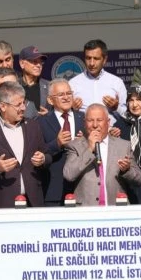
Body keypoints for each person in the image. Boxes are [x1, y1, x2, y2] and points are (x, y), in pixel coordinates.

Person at [0, 81, 51, 208]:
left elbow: (47, 155)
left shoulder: (33, 126)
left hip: (32, 202)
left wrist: (43, 159)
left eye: (24, 103)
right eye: (18, 104)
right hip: (2, 203)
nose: (23, 108)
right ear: (3, 106)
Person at [63, 104, 141, 206]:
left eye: (99, 120)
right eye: (90, 120)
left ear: (108, 122)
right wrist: (89, 149)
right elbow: (69, 175)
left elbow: (139, 180)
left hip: (115, 208)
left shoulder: (123, 146)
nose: (95, 125)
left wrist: (127, 170)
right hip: (86, 210)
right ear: (84, 122)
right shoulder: (75, 145)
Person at [39, 79, 85, 207]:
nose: (66, 97)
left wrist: (85, 143)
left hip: (82, 189)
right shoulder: (41, 122)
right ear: (50, 100)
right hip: (54, 190)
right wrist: (57, 143)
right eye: (61, 95)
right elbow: (37, 152)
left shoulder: (84, 118)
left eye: (69, 93)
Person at [70, 39, 127, 123]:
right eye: (88, 58)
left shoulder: (117, 82)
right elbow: (64, 116)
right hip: (83, 131)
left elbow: (127, 116)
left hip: (111, 130)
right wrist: (72, 109)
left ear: (104, 60)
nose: (91, 63)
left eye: (96, 58)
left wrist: (116, 108)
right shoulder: (73, 83)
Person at [18, 45, 50, 115]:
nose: (38, 65)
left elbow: (58, 111)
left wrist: (48, 115)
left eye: (40, 62)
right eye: (34, 61)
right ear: (22, 64)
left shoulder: (49, 86)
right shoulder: (14, 86)